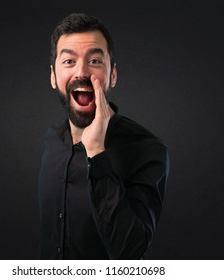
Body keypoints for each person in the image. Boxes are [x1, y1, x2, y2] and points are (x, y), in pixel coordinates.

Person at [38, 13, 170, 260]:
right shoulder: (53, 139)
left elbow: (130, 254)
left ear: (113, 75)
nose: (82, 72)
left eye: (95, 60)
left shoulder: (148, 149)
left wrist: (97, 152)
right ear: (53, 77)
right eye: (68, 61)